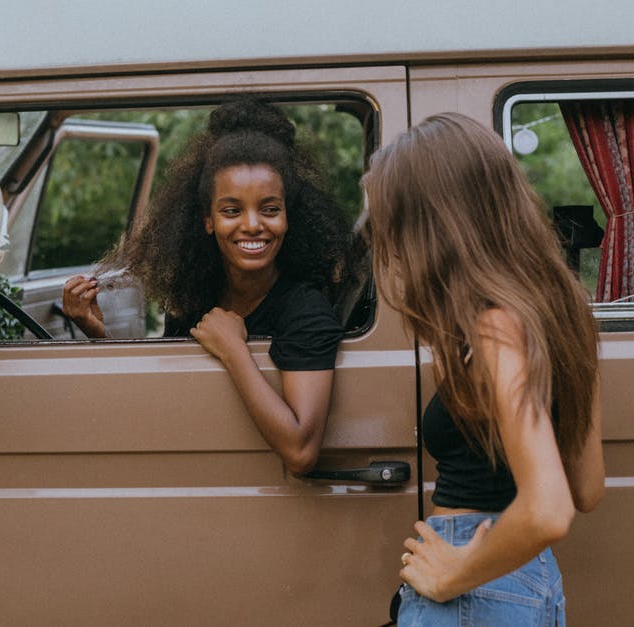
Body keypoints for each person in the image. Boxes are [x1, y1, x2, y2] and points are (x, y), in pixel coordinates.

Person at [362, 113, 605, 625]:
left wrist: (454, 574)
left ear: (434, 225)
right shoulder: (565, 312)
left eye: (396, 226)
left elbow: (549, 508)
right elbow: (587, 488)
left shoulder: (494, 329)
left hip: (472, 590)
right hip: (531, 579)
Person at [61, 98, 351, 475]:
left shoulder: (306, 311)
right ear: (208, 220)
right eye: (232, 210)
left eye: (269, 209)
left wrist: (233, 350)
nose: (252, 225)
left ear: (288, 217)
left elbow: (300, 451)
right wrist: (98, 334)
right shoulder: (192, 298)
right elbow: (166, 399)